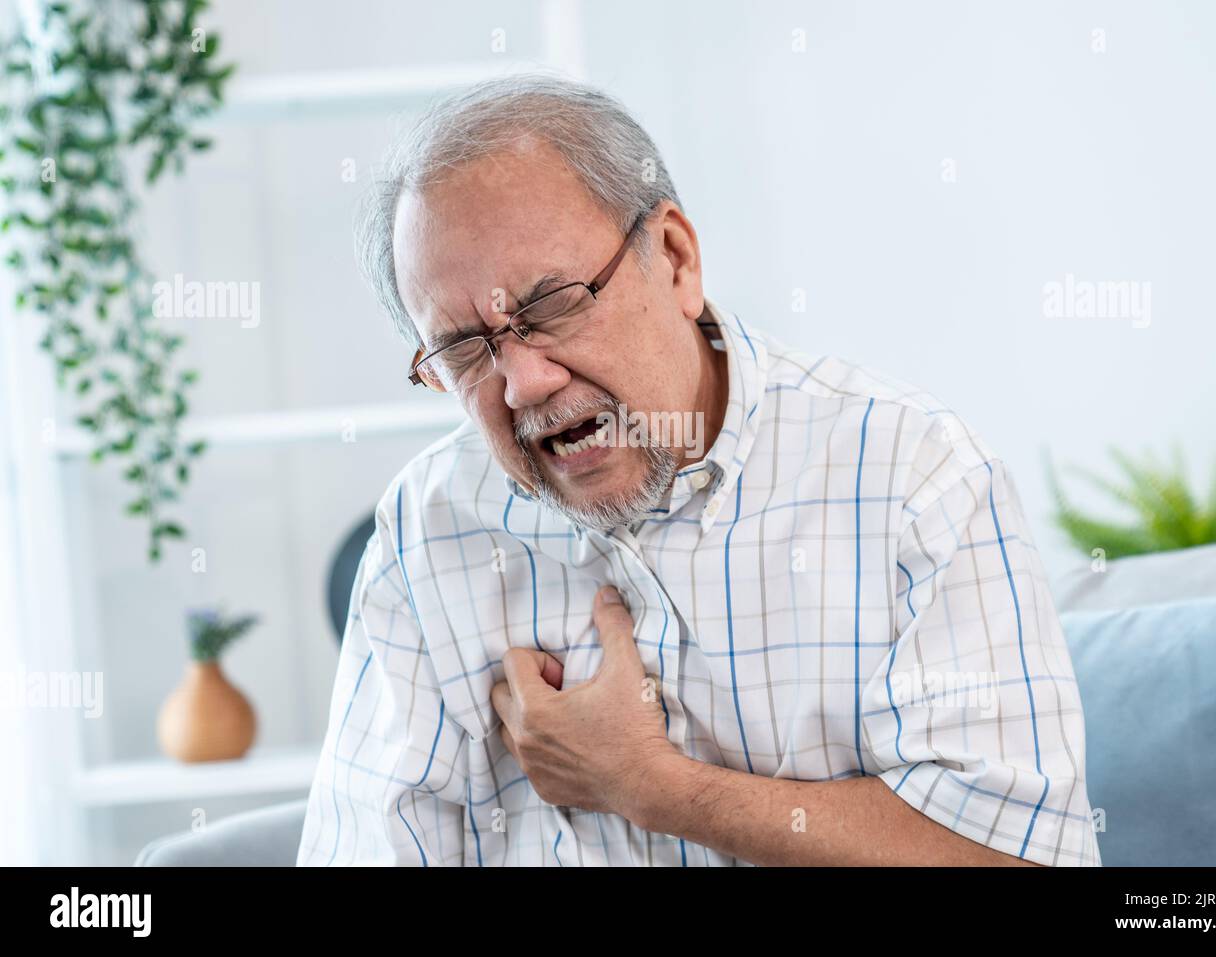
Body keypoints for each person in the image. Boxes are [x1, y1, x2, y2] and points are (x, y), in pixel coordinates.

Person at [297, 74, 1101, 867]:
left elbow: (1017, 861)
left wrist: (649, 785)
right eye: (465, 348)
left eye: (549, 306)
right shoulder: (426, 529)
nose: (524, 383)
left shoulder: (915, 476)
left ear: (677, 259)